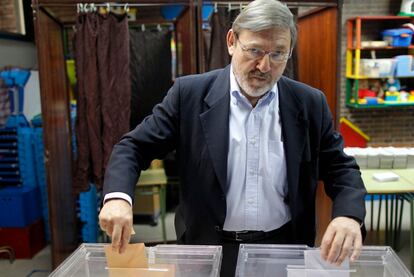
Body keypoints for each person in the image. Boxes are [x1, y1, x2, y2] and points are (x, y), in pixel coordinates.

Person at [99, 0, 367, 275]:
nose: (264, 66)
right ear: (231, 41)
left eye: (278, 54)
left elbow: (340, 167)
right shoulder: (189, 95)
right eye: (254, 51)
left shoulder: (308, 103)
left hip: (282, 248)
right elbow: (133, 147)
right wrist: (118, 197)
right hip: (207, 249)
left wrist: (348, 215)